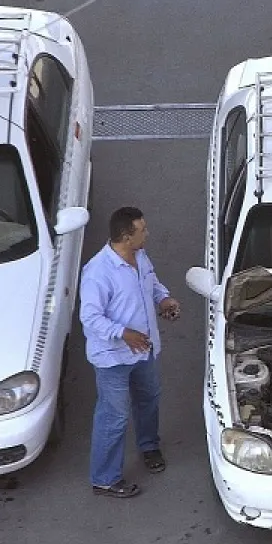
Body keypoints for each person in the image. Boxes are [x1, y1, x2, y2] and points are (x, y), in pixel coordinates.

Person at [79, 206, 181, 499]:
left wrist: (163, 300)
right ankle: (104, 479)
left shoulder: (140, 255)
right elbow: (91, 317)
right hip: (114, 358)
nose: (147, 233)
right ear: (126, 236)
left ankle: (149, 447)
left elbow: (152, 284)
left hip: (144, 350)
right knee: (114, 416)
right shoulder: (98, 272)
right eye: (142, 230)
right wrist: (124, 333)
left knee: (149, 399)